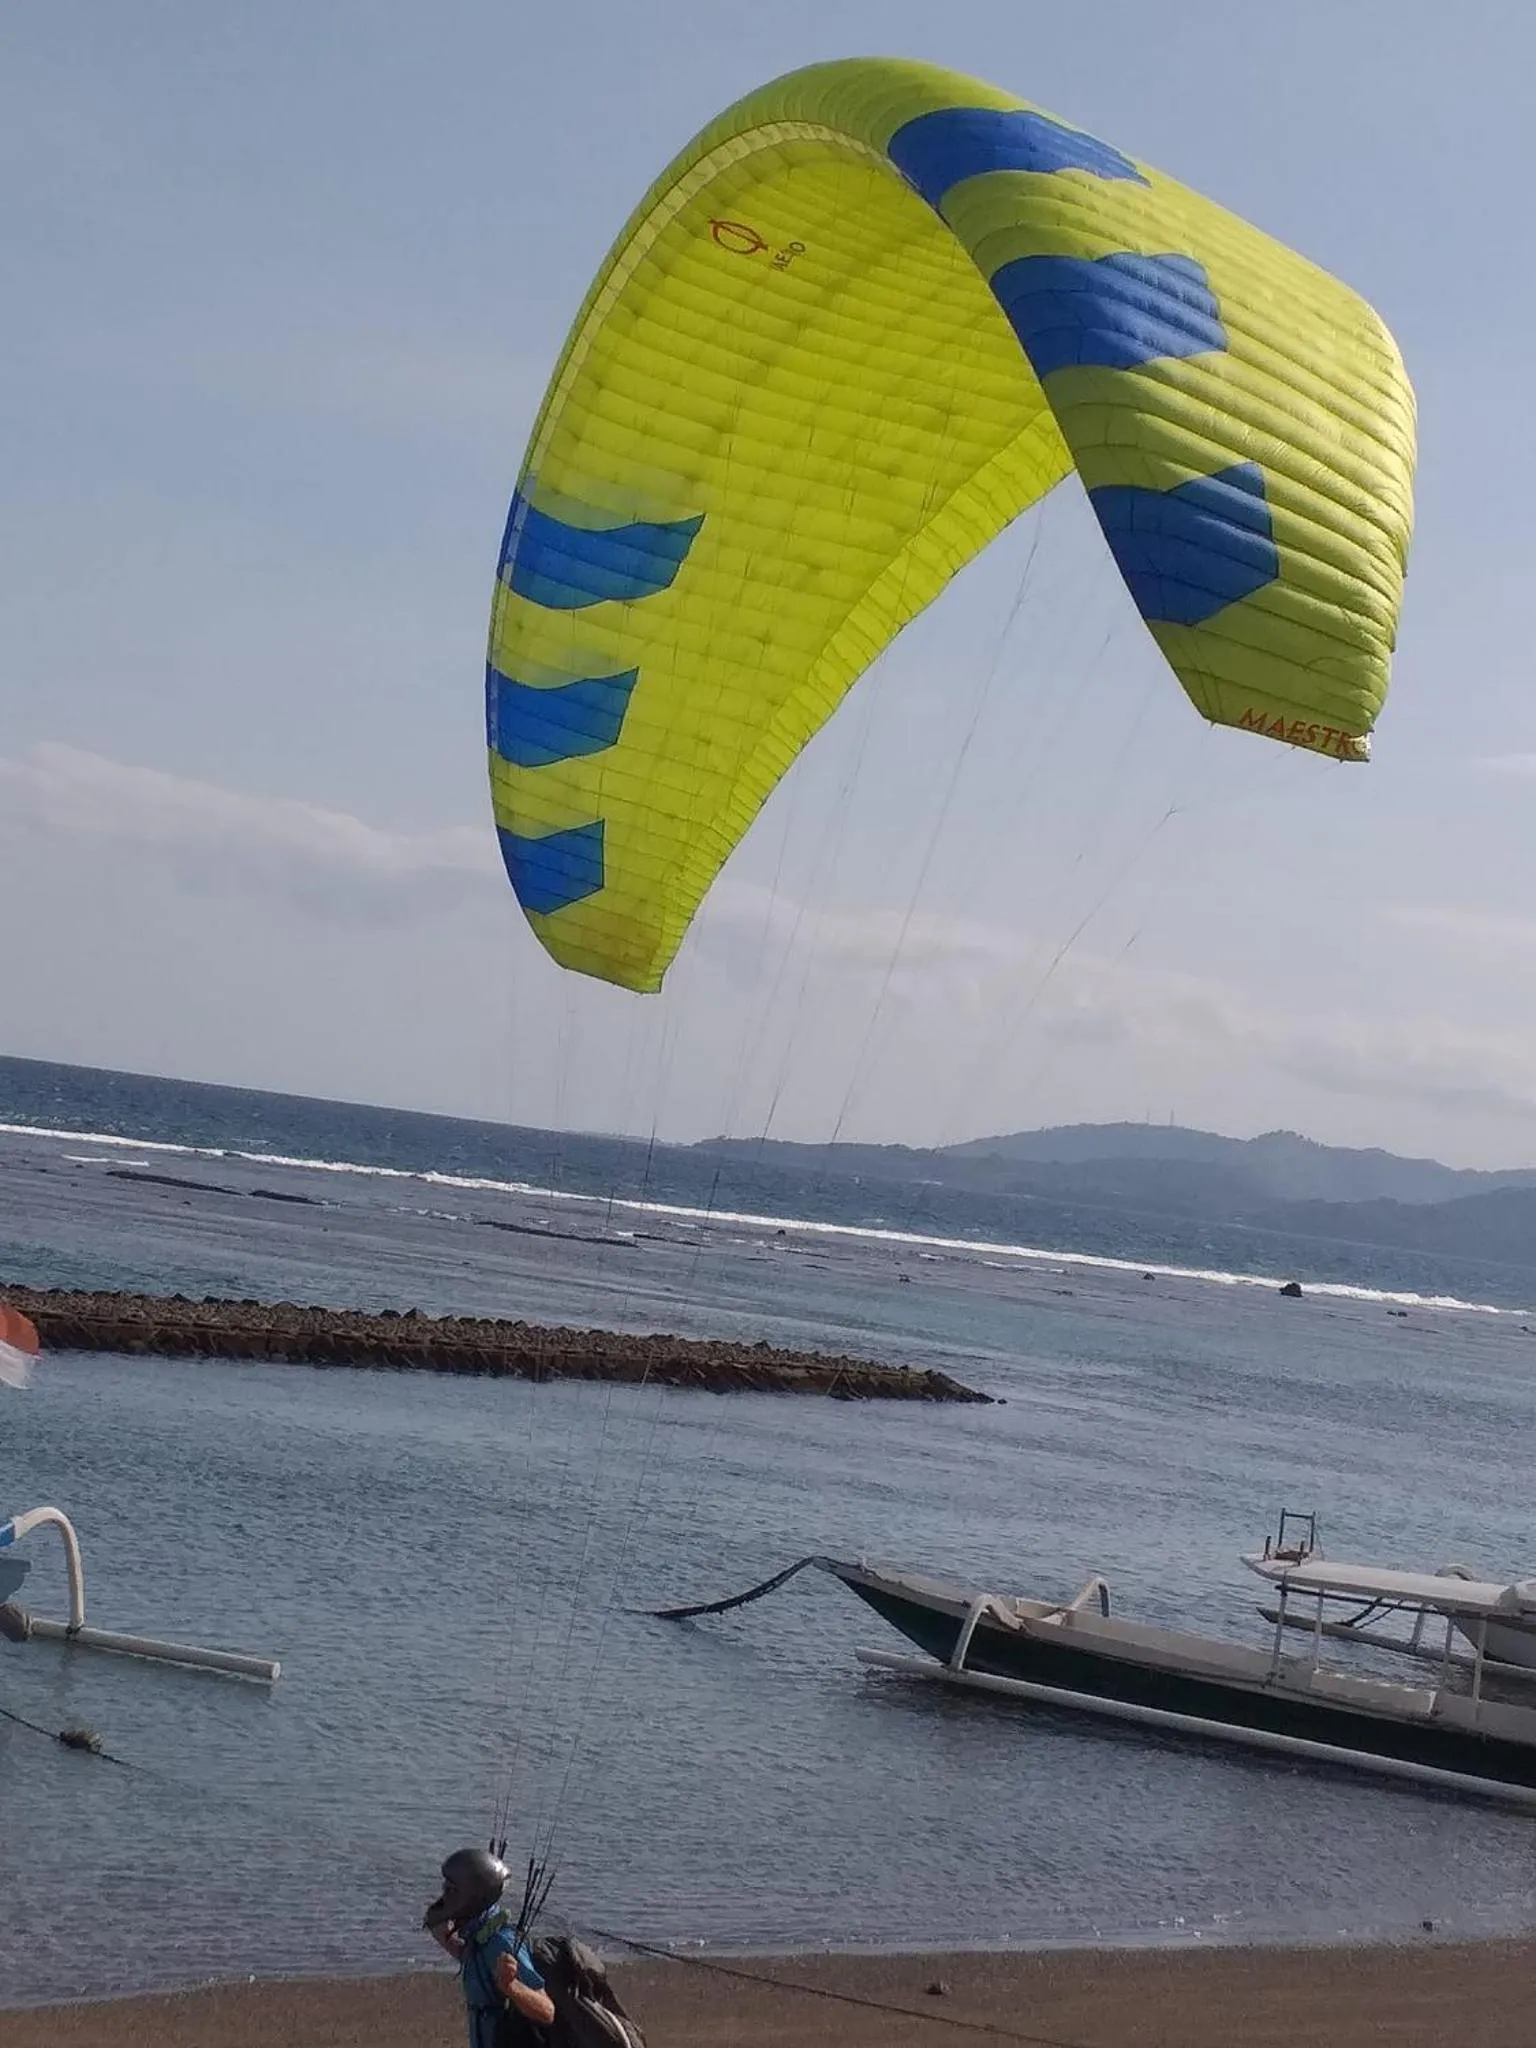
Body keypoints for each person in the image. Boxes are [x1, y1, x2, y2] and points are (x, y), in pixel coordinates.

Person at [424, 1846, 557, 2046]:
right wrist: (437, 1916)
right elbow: (462, 1952)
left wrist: (512, 1987)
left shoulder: (501, 1943)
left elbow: (547, 2011)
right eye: (445, 1888)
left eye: (452, 1890)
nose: (445, 1895)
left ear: (473, 1897)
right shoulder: (476, 1938)